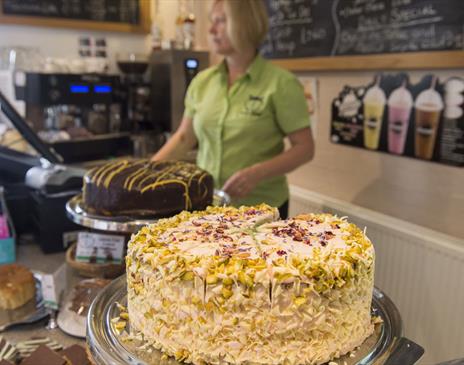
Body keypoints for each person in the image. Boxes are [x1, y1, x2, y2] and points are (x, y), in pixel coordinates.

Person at [152, 0, 314, 219]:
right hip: (208, 206)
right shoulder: (202, 82)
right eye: (212, 21)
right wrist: (146, 172)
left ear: (245, 24)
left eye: (220, 21)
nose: (210, 30)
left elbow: (304, 148)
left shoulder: (281, 84)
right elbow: (183, 138)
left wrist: (257, 174)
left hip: (262, 211)